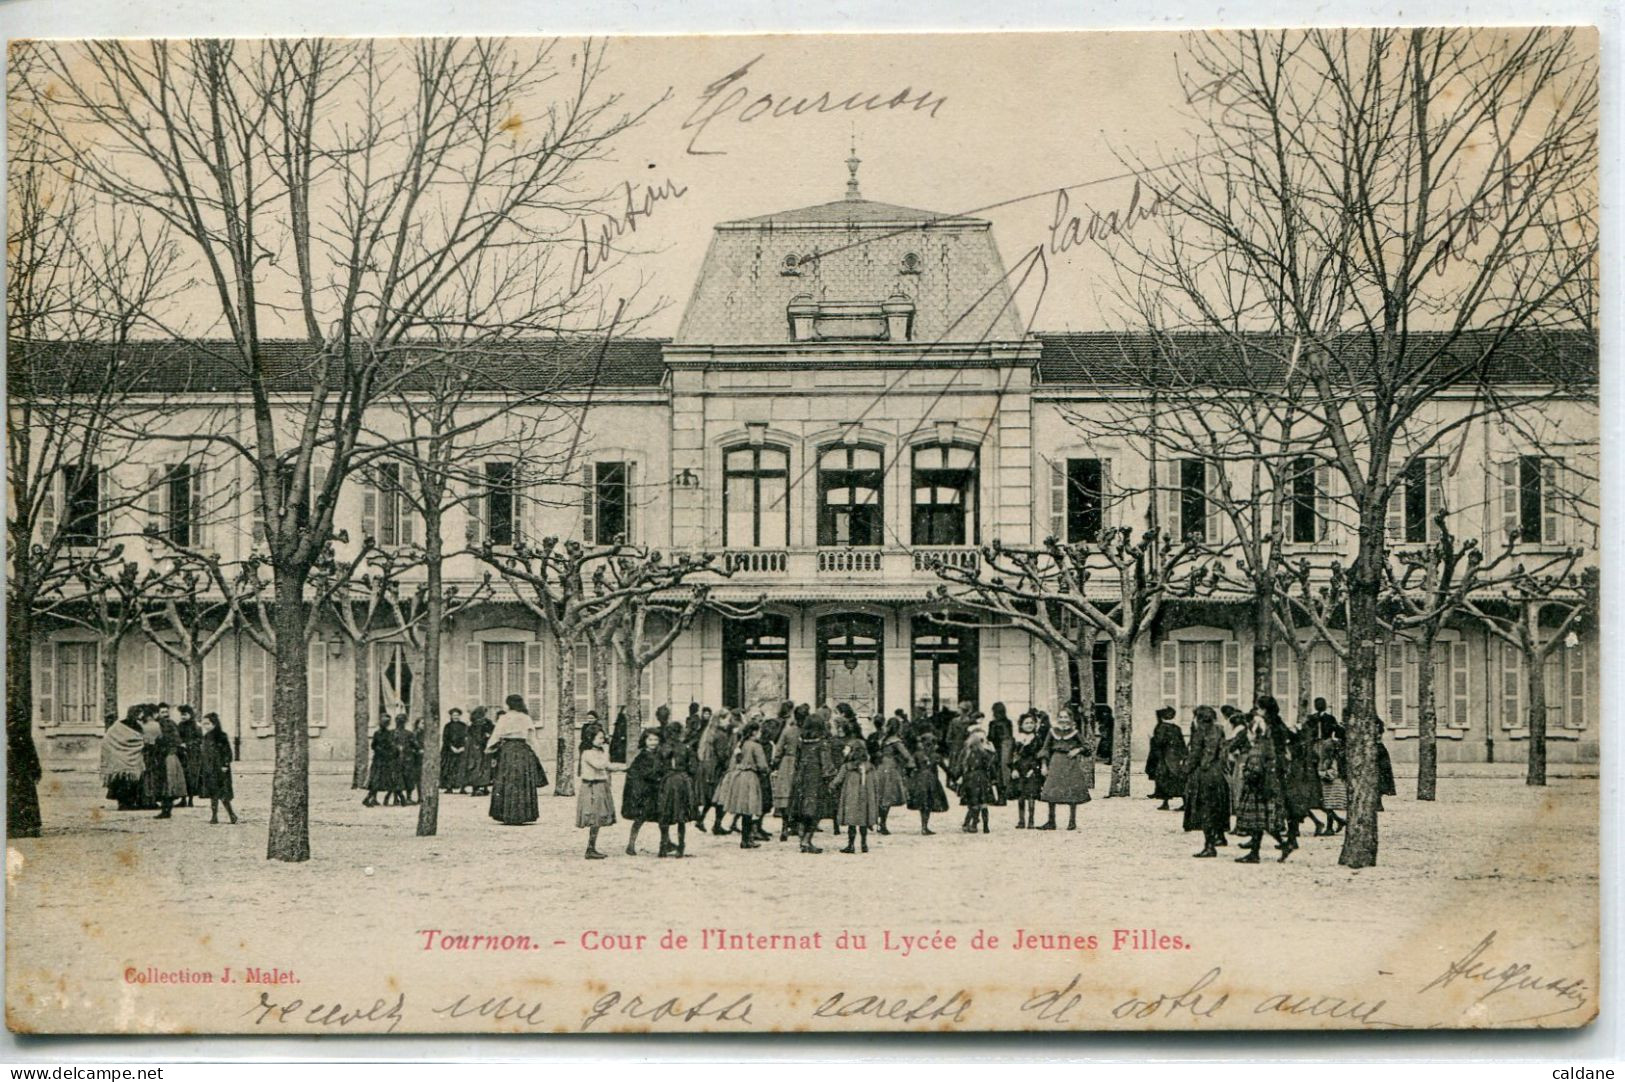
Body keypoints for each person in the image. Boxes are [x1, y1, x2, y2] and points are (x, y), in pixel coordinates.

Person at [1233, 710, 1290, 863]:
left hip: (1257, 787)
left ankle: (1266, 850)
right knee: (1262, 823)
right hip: (1263, 786)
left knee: (1259, 821)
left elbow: (1256, 767)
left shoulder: (1259, 746)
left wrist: (1246, 774)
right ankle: (1258, 851)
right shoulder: (1265, 743)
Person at [487, 694, 545, 826]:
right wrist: (537, 752)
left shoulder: (504, 718)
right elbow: (531, 738)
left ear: (508, 704)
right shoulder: (526, 718)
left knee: (507, 780)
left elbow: (496, 736)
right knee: (522, 781)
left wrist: (489, 748)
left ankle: (505, 813)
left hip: (507, 751)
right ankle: (523, 814)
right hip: (522, 750)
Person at [1184, 706, 1231, 857]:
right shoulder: (1219, 729)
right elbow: (1223, 752)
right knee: (1217, 807)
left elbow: (1195, 754)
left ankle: (1209, 845)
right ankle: (1220, 837)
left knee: (1205, 809)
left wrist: (1185, 769)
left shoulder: (1200, 732)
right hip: (1218, 773)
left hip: (1204, 774)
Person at [788, 715, 839, 854]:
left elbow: (796, 760)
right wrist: (831, 778)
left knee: (801, 807)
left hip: (801, 776)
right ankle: (807, 840)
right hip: (815, 778)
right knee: (816, 809)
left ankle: (802, 839)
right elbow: (826, 764)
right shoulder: (822, 743)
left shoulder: (802, 741)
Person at [717, 720, 770, 849]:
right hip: (750, 777)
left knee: (743, 808)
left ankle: (745, 839)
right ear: (754, 732)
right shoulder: (756, 746)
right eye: (759, 731)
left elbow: (733, 762)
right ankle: (747, 840)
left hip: (738, 777)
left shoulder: (741, 744)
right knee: (749, 809)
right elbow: (762, 765)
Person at [1038, 709, 1092, 831]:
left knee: (1071, 789)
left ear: (1070, 718)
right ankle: (1051, 821)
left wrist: (1077, 750)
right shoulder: (1052, 732)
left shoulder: (1075, 732)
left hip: (1070, 763)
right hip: (1056, 761)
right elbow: (1045, 748)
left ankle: (1072, 821)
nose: (1063, 720)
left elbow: (1087, 746)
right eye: (1061, 717)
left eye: (1066, 717)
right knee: (1052, 789)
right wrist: (1044, 765)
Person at [576, 727, 626, 859]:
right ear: (590, 738)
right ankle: (590, 848)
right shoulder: (587, 753)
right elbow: (600, 765)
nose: (602, 740)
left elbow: (607, 765)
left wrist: (623, 768)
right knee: (594, 817)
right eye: (599, 738)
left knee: (598, 818)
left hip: (601, 785)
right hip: (592, 786)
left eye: (602, 738)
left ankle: (591, 846)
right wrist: (608, 752)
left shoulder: (600, 752)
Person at [657, 720, 698, 857]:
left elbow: (656, 768)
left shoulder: (662, 748)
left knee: (665, 814)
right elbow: (693, 768)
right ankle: (681, 847)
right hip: (682, 782)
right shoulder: (686, 748)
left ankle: (663, 846)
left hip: (667, 782)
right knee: (681, 816)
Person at [622, 729, 666, 855]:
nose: (653, 742)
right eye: (650, 740)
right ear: (645, 741)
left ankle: (665, 843)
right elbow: (639, 773)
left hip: (657, 792)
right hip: (646, 793)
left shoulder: (660, 754)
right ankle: (631, 845)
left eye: (656, 740)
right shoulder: (642, 757)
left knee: (662, 818)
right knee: (640, 819)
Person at [834, 741, 880, 853]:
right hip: (866, 798)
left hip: (851, 798)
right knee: (863, 822)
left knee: (852, 823)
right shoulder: (870, 767)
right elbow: (876, 783)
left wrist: (831, 785)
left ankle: (851, 845)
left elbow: (838, 780)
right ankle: (864, 844)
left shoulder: (847, 767)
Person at [872, 717, 913, 835]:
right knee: (887, 796)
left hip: (880, 767)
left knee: (880, 796)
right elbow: (907, 756)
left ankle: (876, 821)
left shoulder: (882, 739)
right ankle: (883, 824)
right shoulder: (896, 741)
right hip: (890, 768)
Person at [100, 707, 147, 810]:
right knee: (130, 782)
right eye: (140, 713)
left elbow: (107, 739)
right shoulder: (135, 726)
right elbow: (141, 739)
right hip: (130, 760)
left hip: (119, 759)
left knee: (122, 782)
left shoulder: (117, 725)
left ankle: (123, 803)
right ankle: (128, 803)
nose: (141, 716)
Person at [954, 727, 998, 834]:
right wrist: (958, 776)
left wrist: (992, 751)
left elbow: (991, 765)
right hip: (970, 779)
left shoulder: (986, 752)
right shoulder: (966, 752)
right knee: (973, 803)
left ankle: (973, 824)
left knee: (980, 802)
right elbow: (960, 765)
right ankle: (970, 822)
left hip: (981, 779)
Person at [770, 704, 804, 842]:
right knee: (799, 794)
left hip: (787, 763)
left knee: (785, 794)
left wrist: (776, 763)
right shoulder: (807, 731)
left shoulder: (788, 731)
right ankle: (797, 826)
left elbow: (778, 749)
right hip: (801, 763)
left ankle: (785, 827)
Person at [906, 731, 950, 834]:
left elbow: (909, 767)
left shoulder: (917, 754)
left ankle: (924, 826)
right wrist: (954, 777)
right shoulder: (936, 755)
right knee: (929, 803)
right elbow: (946, 769)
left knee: (923, 803)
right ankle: (925, 826)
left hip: (920, 779)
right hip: (932, 780)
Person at [1145, 705, 1188, 811]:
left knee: (1164, 779)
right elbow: (1182, 743)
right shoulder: (1177, 728)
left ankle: (1166, 802)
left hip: (1165, 757)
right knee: (1178, 780)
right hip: (1175, 758)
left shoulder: (1161, 727)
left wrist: (1152, 739)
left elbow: (1159, 742)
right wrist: (1184, 755)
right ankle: (1184, 802)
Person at [198, 712, 238, 824]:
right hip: (209, 769)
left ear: (214, 724)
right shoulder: (206, 737)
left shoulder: (221, 736)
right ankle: (214, 816)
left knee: (223, 794)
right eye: (203, 723)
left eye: (207, 723)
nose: (205, 726)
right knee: (213, 794)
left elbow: (227, 753)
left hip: (220, 769)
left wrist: (225, 765)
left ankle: (232, 815)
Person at [1009, 712, 1046, 828]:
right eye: (1026, 723)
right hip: (1020, 768)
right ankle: (1021, 820)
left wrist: (1034, 769)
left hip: (1032, 769)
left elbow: (1038, 756)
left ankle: (1031, 820)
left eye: (1031, 723)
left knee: (1031, 795)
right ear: (1021, 725)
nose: (1029, 725)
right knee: (1020, 795)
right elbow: (1013, 755)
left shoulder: (1038, 739)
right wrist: (1014, 769)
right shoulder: (1017, 739)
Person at [153, 706, 188, 819]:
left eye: (166, 712)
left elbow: (166, 740)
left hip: (167, 756)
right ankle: (167, 810)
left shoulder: (162, 724)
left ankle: (166, 810)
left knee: (167, 783)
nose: (165, 714)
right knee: (169, 784)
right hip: (171, 755)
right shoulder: (171, 723)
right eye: (162, 712)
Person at [363, 717, 396, 807]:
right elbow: (374, 745)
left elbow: (374, 746)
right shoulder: (386, 734)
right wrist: (385, 752)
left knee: (378, 779)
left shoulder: (379, 733)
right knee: (379, 779)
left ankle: (373, 798)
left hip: (380, 759)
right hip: (382, 760)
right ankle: (368, 798)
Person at [463, 707, 495, 795]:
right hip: (476, 749)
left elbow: (493, 732)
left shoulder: (488, 723)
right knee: (476, 767)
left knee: (485, 767)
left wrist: (488, 737)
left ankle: (484, 787)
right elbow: (470, 736)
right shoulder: (473, 725)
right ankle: (476, 787)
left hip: (486, 747)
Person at [177, 706, 204, 808]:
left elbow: (200, 740)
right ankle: (183, 799)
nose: (183, 717)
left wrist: (188, 744)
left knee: (192, 776)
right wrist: (180, 743)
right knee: (182, 776)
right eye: (181, 714)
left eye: (185, 714)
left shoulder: (196, 726)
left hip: (193, 754)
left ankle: (191, 800)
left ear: (190, 715)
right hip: (182, 754)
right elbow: (177, 737)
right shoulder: (180, 725)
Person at [440, 709, 469, 793]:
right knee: (449, 768)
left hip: (462, 750)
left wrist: (463, 747)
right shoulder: (447, 726)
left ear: (460, 716)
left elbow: (467, 737)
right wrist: (452, 747)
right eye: (454, 715)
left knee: (461, 768)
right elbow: (445, 738)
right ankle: (449, 787)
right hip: (449, 750)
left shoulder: (464, 726)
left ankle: (462, 787)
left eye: (457, 715)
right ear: (451, 716)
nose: (455, 717)